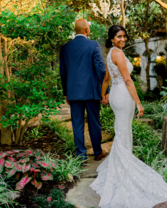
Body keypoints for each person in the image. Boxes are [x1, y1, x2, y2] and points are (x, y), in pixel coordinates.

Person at [90, 25, 167, 208]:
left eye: (124, 36)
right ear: (112, 38)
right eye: (119, 36)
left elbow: (106, 79)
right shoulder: (117, 53)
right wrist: (139, 103)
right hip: (123, 96)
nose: (123, 39)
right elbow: (127, 80)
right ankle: (123, 170)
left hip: (116, 95)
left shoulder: (111, 53)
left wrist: (104, 95)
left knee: (122, 131)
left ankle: (120, 166)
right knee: (124, 132)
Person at [59, 19, 108, 162]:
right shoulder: (93, 45)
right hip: (92, 91)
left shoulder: (65, 47)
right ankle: (98, 152)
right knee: (94, 122)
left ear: (76, 30)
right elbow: (100, 69)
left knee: (77, 124)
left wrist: (66, 93)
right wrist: (105, 90)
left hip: (74, 93)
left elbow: (63, 72)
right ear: (87, 30)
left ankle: (81, 155)